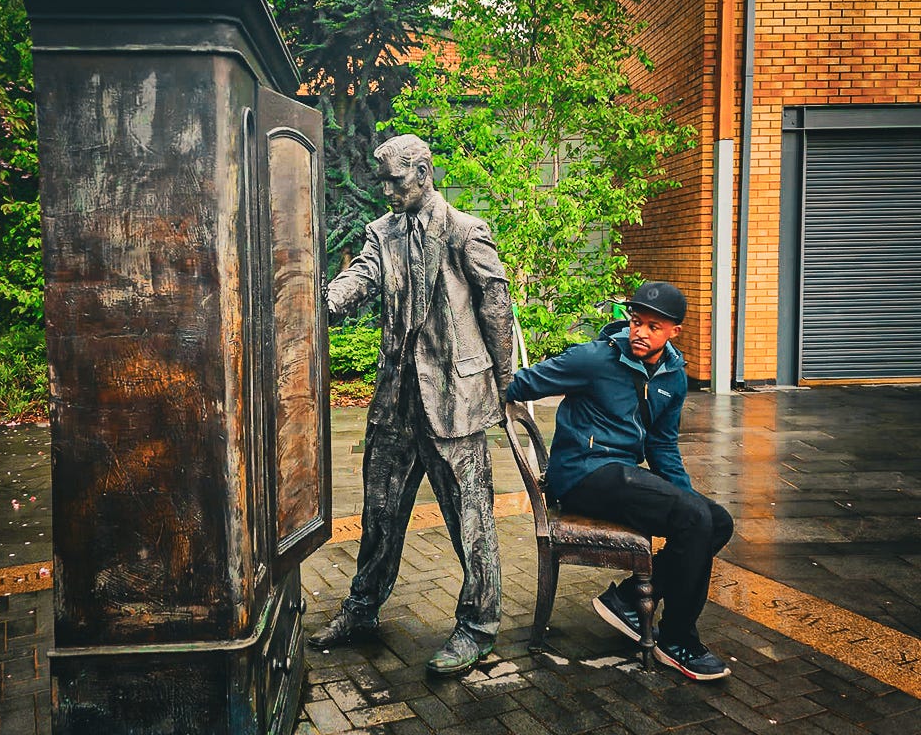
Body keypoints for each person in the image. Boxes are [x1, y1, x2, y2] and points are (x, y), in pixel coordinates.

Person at [309, 134, 513, 675]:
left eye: (394, 180)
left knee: (471, 520)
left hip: (454, 401)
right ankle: (362, 609)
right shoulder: (383, 232)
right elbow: (364, 273)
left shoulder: (466, 232)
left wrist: (504, 382)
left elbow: (496, 304)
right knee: (379, 514)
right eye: (382, 181)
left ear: (423, 172)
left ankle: (477, 627)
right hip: (397, 404)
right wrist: (328, 299)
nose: (386, 191)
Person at [506, 281, 734, 681]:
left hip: (620, 476)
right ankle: (677, 640)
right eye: (636, 321)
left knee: (715, 520)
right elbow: (522, 384)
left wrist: (688, 498)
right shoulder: (594, 359)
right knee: (695, 516)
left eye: (653, 326)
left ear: (674, 332)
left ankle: (628, 599)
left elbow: (662, 447)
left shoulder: (673, 378)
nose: (640, 332)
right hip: (580, 474)